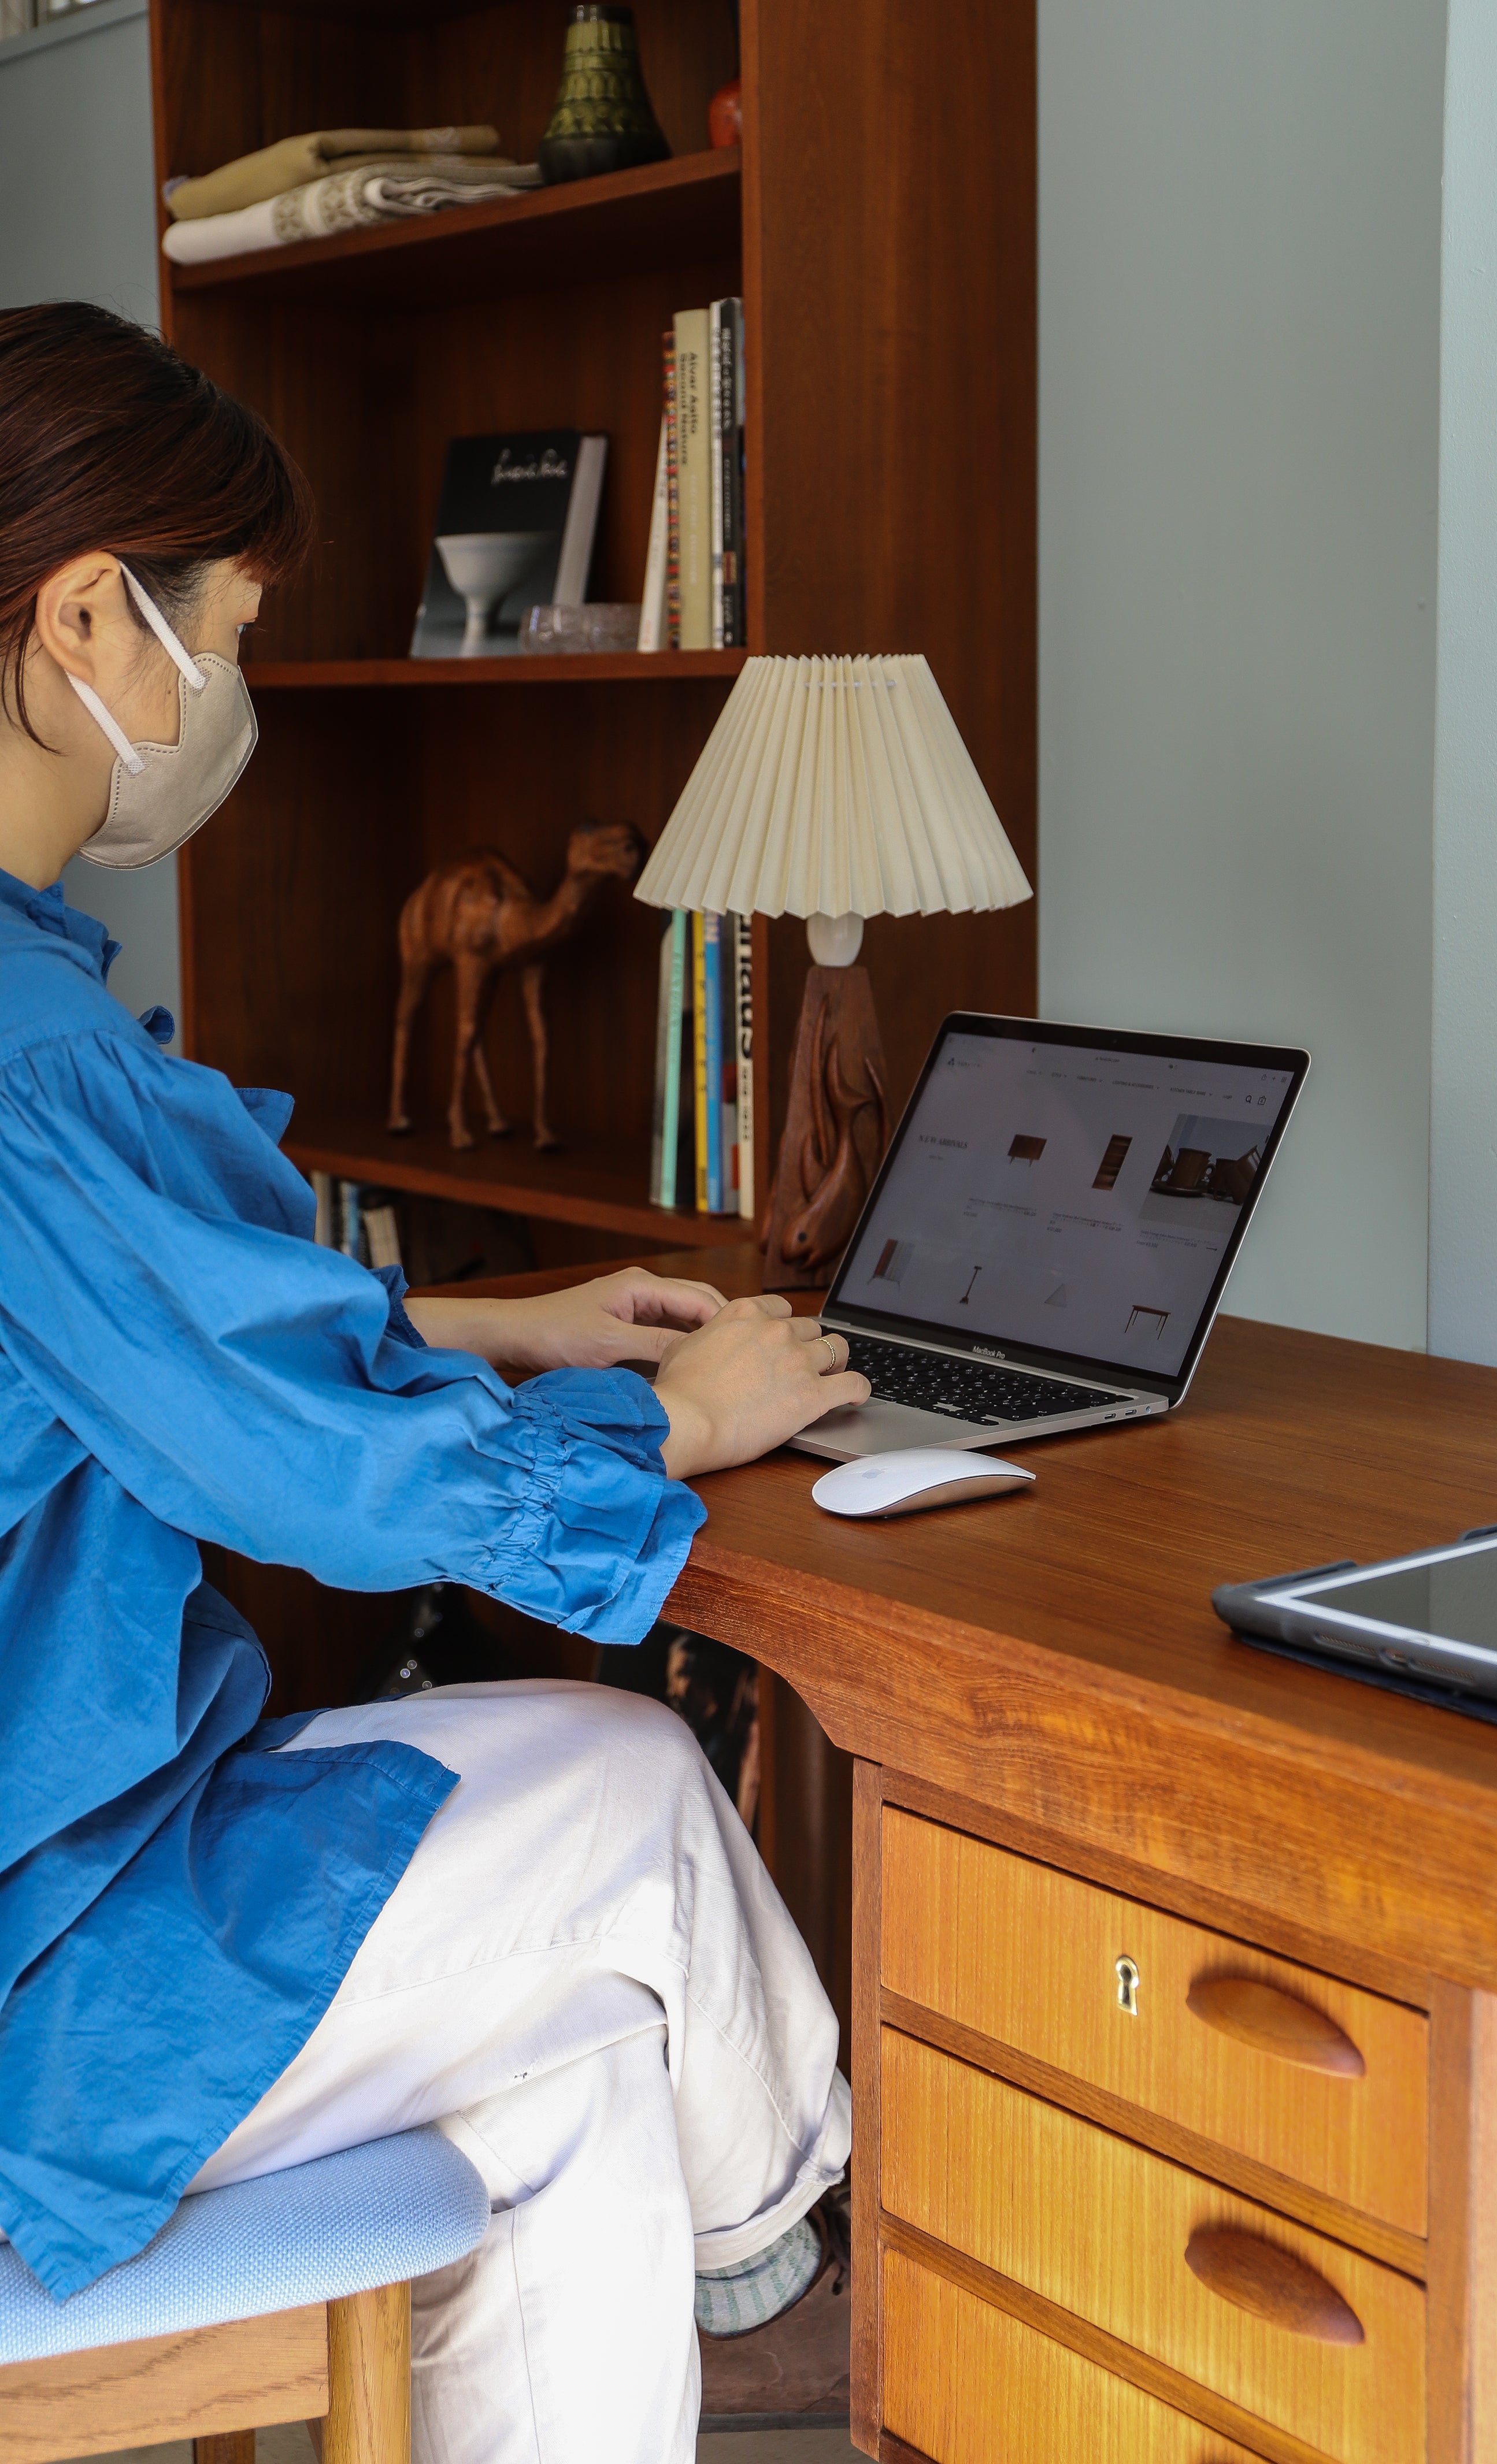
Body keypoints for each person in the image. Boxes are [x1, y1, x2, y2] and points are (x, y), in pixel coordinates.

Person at [0, 302, 870, 2462]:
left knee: (572, 2049)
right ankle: (803, 2287)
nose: (242, 701)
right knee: (639, 1804)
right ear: (88, 618)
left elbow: (117, 1333)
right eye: (239, 631)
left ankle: (748, 2271)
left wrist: (498, 1323)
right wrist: (673, 1422)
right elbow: (313, 1478)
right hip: (41, 1971)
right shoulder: (27, 1061)